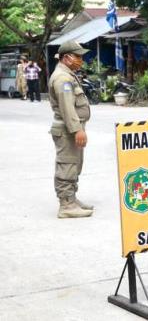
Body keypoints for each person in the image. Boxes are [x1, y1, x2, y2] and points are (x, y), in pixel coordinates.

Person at [47, 40, 93, 218]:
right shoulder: (62, 78)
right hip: (68, 130)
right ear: (66, 58)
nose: (81, 60)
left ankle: (71, 198)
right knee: (67, 165)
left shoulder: (68, 75)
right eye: (78, 57)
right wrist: (77, 130)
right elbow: (67, 107)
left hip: (71, 128)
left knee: (74, 164)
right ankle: (66, 205)